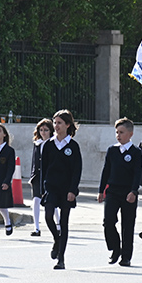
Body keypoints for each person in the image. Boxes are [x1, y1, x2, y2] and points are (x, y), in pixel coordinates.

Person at [40, 109, 83, 270]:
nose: (56, 126)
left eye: (59, 123)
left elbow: (76, 170)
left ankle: (61, 258)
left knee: (64, 222)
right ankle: (56, 240)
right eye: (55, 122)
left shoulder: (73, 146)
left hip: (66, 190)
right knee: (48, 216)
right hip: (51, 187)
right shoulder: (48, 145)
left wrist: (73, 190)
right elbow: (44, 168)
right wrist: (42, 188)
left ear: (67, 125)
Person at [98, 117, 142, 266]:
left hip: (128, 193)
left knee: (127, 225)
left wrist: (134, 191)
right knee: (108, 221)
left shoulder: (136, 152)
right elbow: (106, 171)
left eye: (121, 132)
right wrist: (101, 190)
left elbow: (137, 173)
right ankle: (115, 248)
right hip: (112, 191)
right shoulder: (112, 150)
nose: (118, 135)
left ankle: (126, 256)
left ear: (130, 134)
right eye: (117, 132)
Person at [29, 118, 55, 237]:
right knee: (36, 201)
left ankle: (58, 225)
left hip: (49, 177)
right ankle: (36, 228)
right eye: (41, 130)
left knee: (51, 202)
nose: (43, 132)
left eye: (46, 130)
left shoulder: (53, 143)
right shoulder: (37, 144)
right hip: (37, 176)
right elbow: (34, 161)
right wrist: (32, 175)